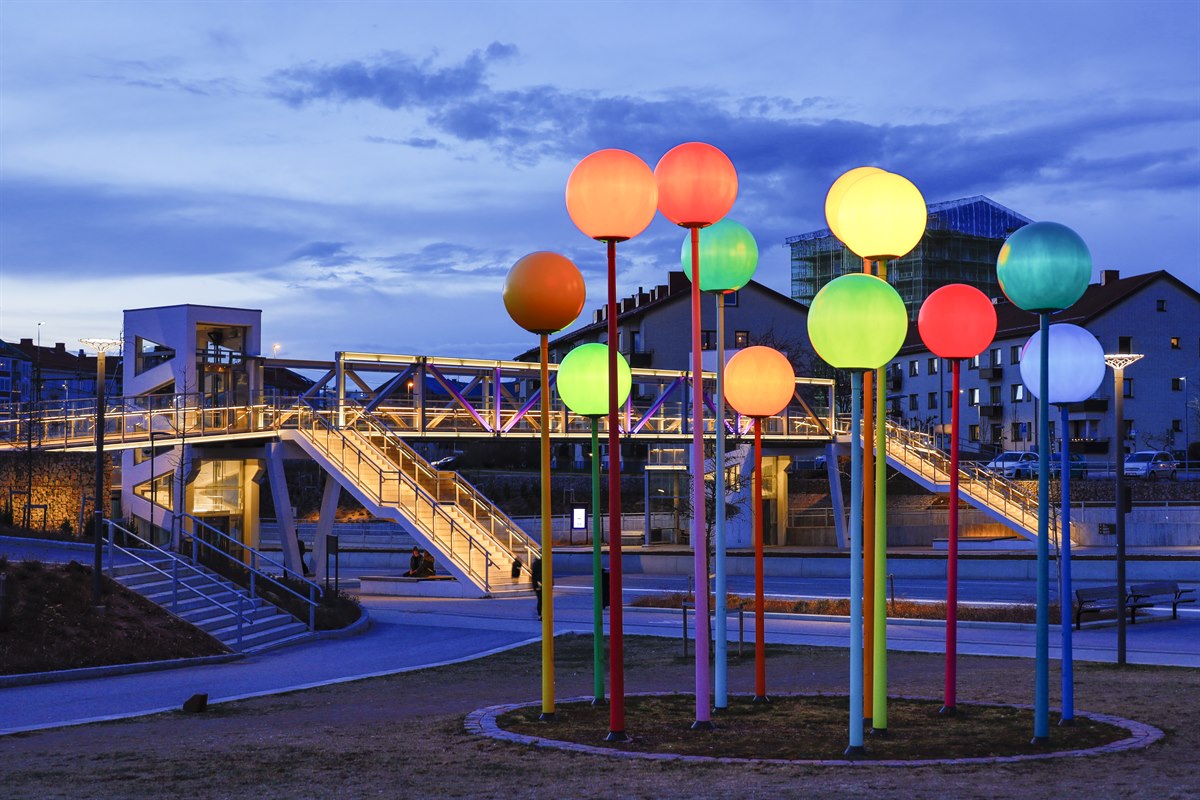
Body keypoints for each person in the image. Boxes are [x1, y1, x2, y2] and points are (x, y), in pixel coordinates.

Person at [530, 555, 543, 619]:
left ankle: (540, 614)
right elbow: (534, 576)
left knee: (541, 601)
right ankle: (540, 614)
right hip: (540, 585)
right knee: (541, 600)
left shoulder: (539, 563)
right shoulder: (538, 563)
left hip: (540, 585)